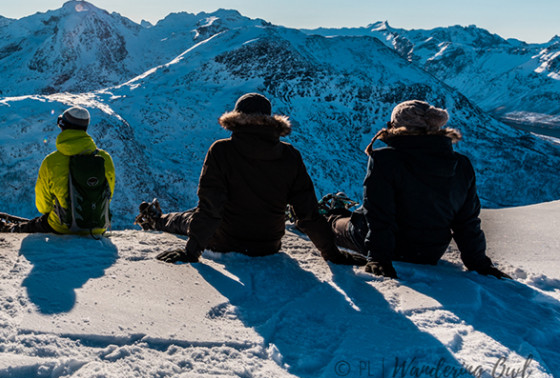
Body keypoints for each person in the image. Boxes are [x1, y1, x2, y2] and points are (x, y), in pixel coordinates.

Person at [137, 93, 363, 266]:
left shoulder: (221, 151)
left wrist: (191, 251)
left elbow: (210, 209)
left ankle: (156, 220)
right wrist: (332, 253)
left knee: (186, 219)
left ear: (235, 120)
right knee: (192, 216)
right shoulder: (289, 155)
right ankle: (159, 218)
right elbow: (308, 214)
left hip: (224, 240)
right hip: (268, 244)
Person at [328, 100, 509, 280]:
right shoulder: (461, 164)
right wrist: (479, 263)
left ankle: (329, 216)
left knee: (336, 224)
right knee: (355, 217)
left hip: (391, 248)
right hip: (430, 252)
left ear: (398, 127)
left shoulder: (385, 159)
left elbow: (379, 215)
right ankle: (339, 212)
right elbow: (467, 222)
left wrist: (379, 258)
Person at [0, 106, 116, 236]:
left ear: (62, 126)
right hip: (99, 226)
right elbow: (108, 193)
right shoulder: (105, 159)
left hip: (62, 227)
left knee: (32, 228)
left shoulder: (51, 161)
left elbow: (43, 206)